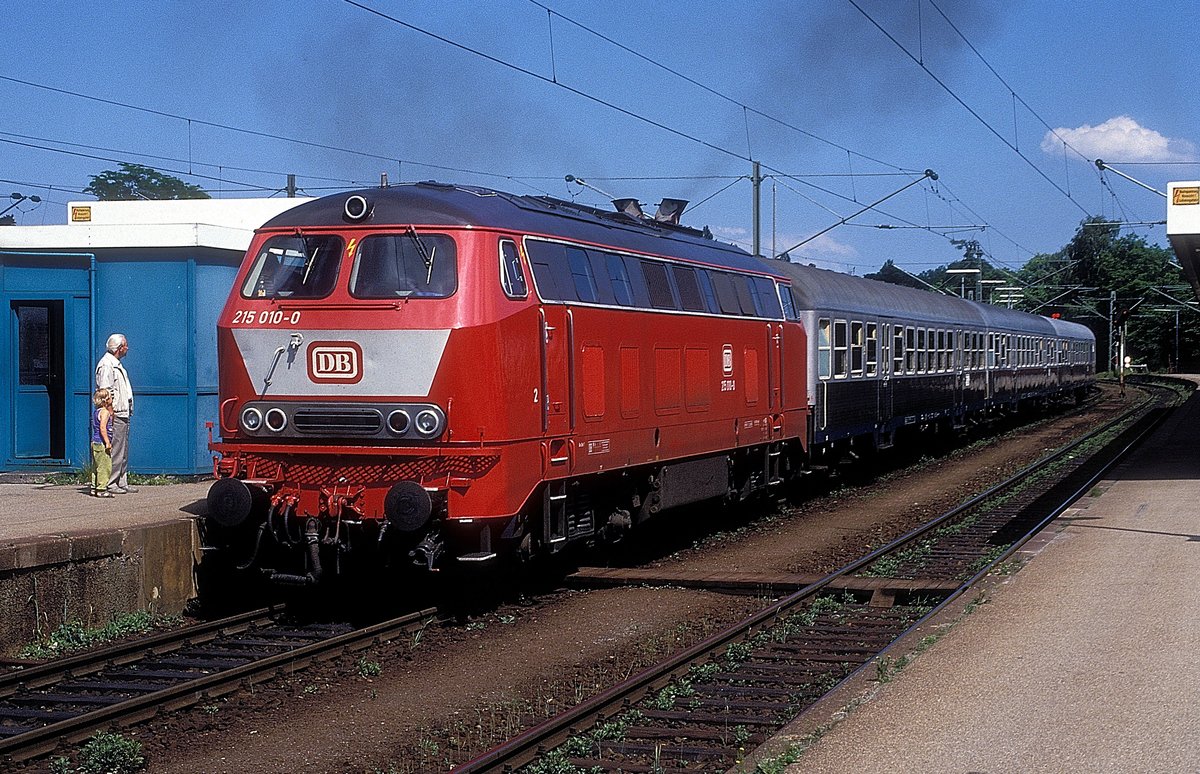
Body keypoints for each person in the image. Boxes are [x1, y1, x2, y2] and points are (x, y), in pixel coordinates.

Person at [95, 333, 137, 494]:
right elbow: (105, 391)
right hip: (116, 413)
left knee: (123, 449)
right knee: (116, 448)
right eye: (125, 345)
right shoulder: (107, 365)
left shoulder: (115, 364)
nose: (127, 348)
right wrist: (110, 412)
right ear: (119, 348)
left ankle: (121, 481)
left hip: (122, 412)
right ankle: (111, 483)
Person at [90, 388, 115, 498]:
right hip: (101, 443)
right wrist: (107, 442)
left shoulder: (97, 412)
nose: (112, 398)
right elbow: (102, 428)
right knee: (105, 467)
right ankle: (101, 489)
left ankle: (94, 487)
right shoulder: (104, 413)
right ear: (105, 401)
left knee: (96, 466)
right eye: (110, 397)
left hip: (95, 442)